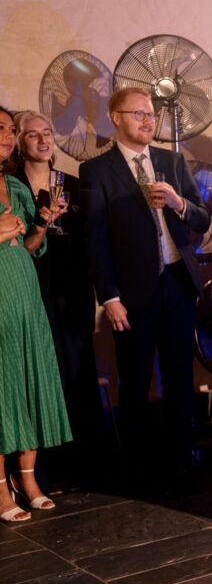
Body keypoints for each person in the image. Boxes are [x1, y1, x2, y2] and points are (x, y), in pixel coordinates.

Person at [81, 87, 211, 478]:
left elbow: (203, 219)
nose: (147, 120)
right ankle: (136, 461)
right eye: (138, 113)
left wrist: (179, 203)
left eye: (151, 114)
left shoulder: (172, 162)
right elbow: (95, 240)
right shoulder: (97, 171)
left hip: (177, 282)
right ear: (115, 116)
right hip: (132, 291)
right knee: (135, 377)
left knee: (178, 374)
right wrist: (110, 297)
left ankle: (181, 450)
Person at [12, 110, 105, 488]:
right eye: (32, 134)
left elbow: (92, 242)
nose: (42, 140)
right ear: (19, 143)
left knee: (77, 367)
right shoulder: (11, 185)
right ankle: (40, 471)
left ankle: (83, 465)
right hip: (32, 285)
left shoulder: (73, 184)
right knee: (42, 371)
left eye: (47, 133)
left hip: (72, 287)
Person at [0, 105, 73, 521]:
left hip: (25, 288)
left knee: (31, 379)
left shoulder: (15, 183)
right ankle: (1, 490)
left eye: (12, 130)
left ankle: (28, 480)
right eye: (2, 130)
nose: (8, 136)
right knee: (3, 386)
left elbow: (28, 246)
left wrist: (42, 223)